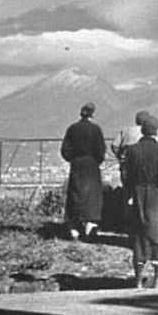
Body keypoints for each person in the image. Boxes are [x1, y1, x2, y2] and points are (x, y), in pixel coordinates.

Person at [124, 115, 158, 288]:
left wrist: (131, 192)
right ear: (156, 131)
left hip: (137, 192)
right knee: (157, 233)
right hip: (157, 194)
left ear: (142, 131)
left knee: (139, 233)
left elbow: (127, 176)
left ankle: (138, 279)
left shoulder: (132, 150)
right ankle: (157, 278)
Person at [60, 102, 106, 240]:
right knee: (91, 196)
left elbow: (65, 150)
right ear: (93, 114)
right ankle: (90, 226)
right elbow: (100, 150)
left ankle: (74, 227)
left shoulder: (72, 129)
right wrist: (96, 160)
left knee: (75, 194)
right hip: (91, 165)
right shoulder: (96, 129)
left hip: (77, 165)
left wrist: (73, 159)